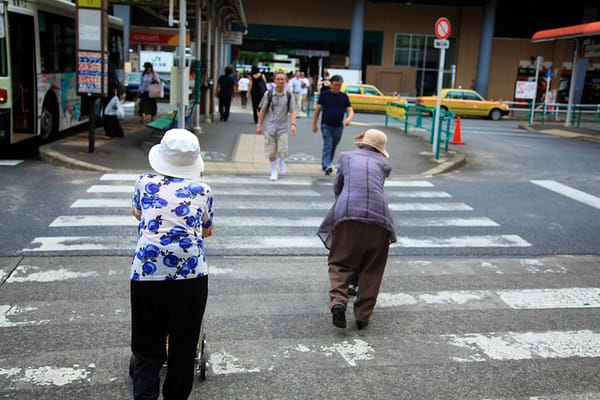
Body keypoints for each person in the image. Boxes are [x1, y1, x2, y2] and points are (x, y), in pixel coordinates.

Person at [130, 128, 214, 400]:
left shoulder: (144, 182)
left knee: (146, 346)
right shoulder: (202, 190)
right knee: (183, 345)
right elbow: (207, 229)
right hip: (191, 276)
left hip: (147, 272)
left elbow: (138, 214)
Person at [317, 129, 396, 330]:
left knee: (340, 261)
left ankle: (338, 303)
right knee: (373, 266)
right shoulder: (384, 164)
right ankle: (362, 316)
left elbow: (338, 186)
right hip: (380, 218)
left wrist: (342, 203)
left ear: (362, 142)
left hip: (348, 213)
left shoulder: (346, 157)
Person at [256, 71, 297, 181]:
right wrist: (259, 125)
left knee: (282, 150)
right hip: (269, 126)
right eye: (278, 79)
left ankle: (281, 161)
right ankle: (273, 170)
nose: (280, 81)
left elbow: (293, 111)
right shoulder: (268, 94)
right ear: (274, 81)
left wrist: (293, 124)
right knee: (271, 150)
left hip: (283, 127)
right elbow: (263, 110)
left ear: (286, 81)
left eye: (282, 79)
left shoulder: (289, 95)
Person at [311, 74, 354, 175]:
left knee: (334, 145)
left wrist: (348, 118)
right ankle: (327, 165)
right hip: (326, 125)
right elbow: (317, 110)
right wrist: (314, 124)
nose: (337, 87)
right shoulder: (325, 95)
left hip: (338, 126)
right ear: (331, 84)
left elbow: (350, 110)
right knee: (328, 144)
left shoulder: (344, 97)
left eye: (339, 85)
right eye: (335, 85)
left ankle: (326, 162)